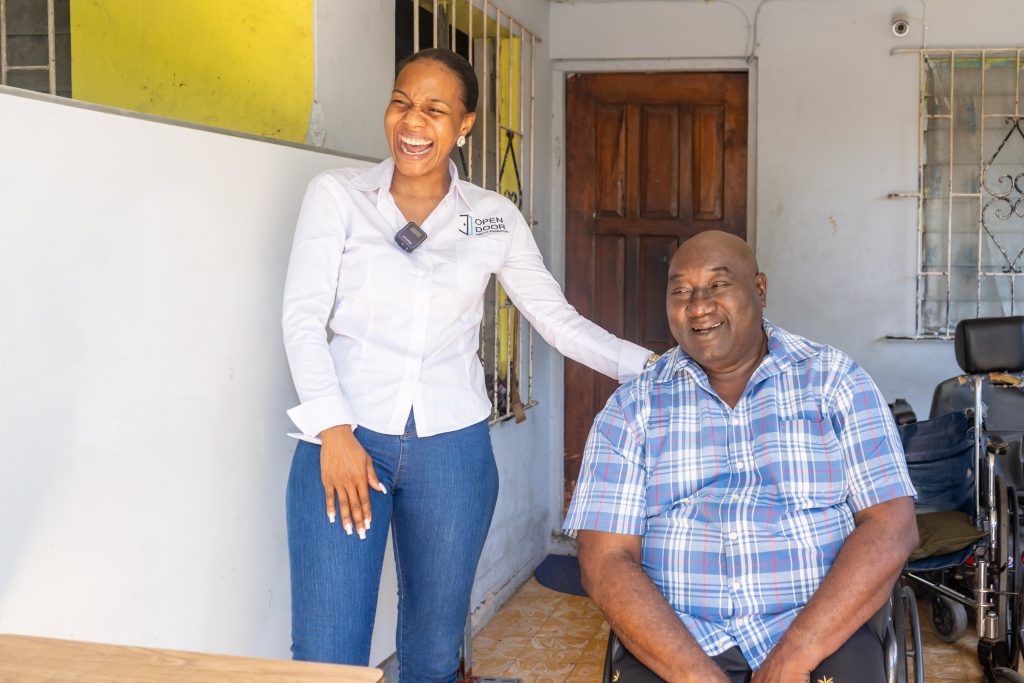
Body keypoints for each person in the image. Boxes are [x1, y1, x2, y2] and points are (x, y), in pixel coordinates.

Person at [281, 48, 653, 682]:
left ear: (465, 125)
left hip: (452, 453)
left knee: (431, 652)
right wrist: (333, 433)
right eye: (401, 102)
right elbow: (302, 319)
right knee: (327, 656)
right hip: (346, 444)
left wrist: (653, 369)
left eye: (434, 109)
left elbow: (556, 321)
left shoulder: (490, 217)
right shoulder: (339, 197)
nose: (412, 122)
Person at [564, 230, 919, 683]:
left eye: (718, 285)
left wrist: (794, 656)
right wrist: (695, 675)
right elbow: (605, 558)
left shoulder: (834, 382)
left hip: (820, 631)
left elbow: (891, 525)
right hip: (678, 642)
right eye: (681, 291)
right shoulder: (632, 408)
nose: (698, 306)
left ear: (760, 289)